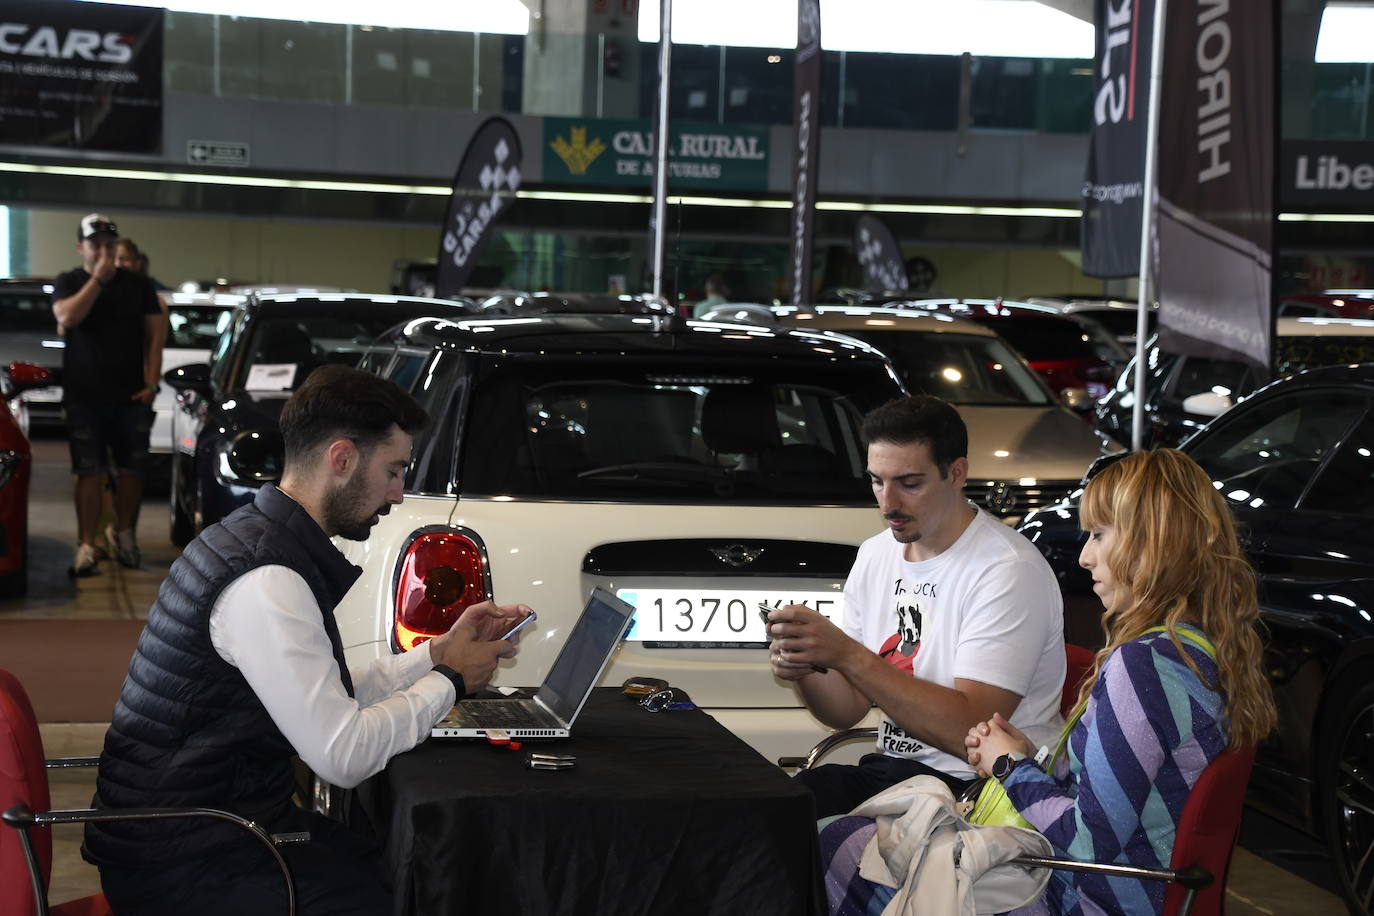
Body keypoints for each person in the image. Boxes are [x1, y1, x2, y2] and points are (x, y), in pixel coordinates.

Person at [82, 365, 529, 915]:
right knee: (405, 888)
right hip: (185, 859)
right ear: (341, 460)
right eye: (393, 470)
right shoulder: (266, 578)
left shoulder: (252, 541)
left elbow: (322, 698)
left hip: (202, 830)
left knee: (396, 865)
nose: (399, 491)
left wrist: (435, 654)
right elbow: (341, 755)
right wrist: (451, 681)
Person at [955, 448, 1277, 914]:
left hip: (1090, 899)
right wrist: (1030, 757)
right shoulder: (1204, 649)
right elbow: (1123, 789)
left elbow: (1087, 845)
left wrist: (1009, 768)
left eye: (1100, 534)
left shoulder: (1145, 666)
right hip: (1143, 890)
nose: (1085, 556)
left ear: (1155, 544)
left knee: (850, 856)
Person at [766, 395, 1065, 817]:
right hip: (896, 774)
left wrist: (848, 655)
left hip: (979, 789)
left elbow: (972, 733)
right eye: (876, 481)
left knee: (807, 839)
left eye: (909, 483)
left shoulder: (1006, 570)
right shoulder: (876, 554)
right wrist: (807, 665)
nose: (888, 503)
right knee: (767, 815)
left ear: (957, 473)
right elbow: (845, 712)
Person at [52, 214, 164, 575]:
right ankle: (87, 543)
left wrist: (150, 385)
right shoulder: (69, 281)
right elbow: (67, 318)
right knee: (88, 471)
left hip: (130, 396)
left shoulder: (139, 286)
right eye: (95, 244)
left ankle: (125, 534)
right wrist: (97, 281)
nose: (103, 251)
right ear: (81, 247)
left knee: (132, 470)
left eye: (108, 245)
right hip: (84, 396)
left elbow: (154, 338)